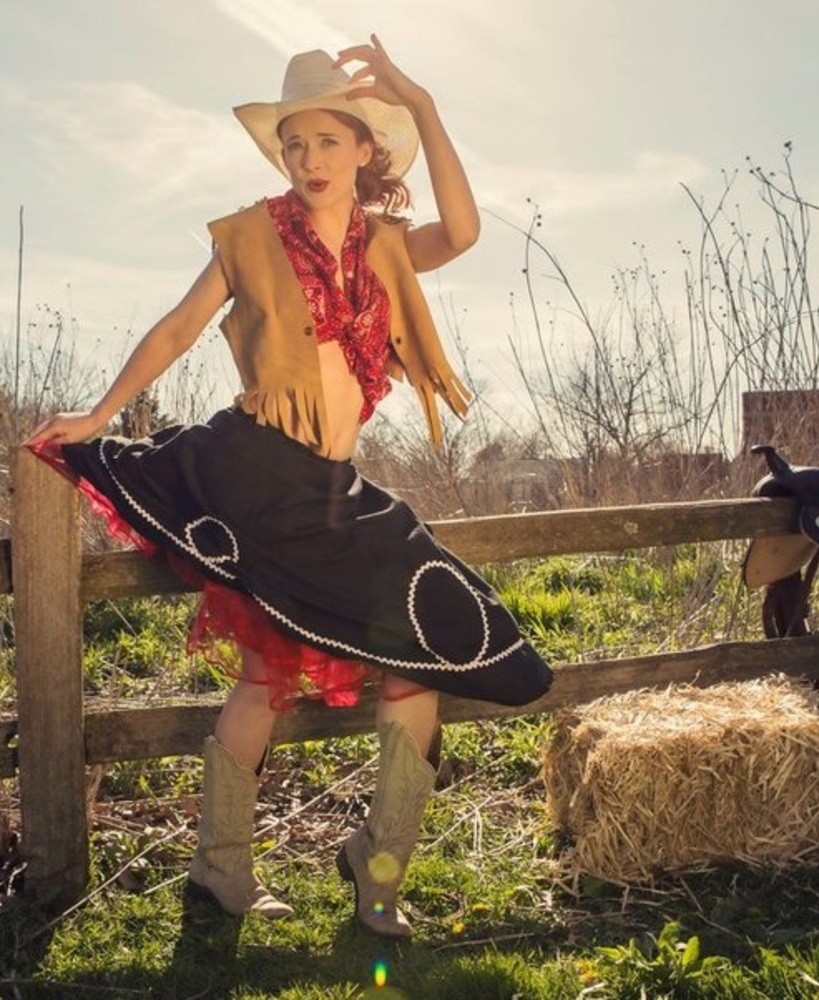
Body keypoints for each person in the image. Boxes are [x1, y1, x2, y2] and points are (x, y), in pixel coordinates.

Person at [25, 36, 553, 939]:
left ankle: (377, 872)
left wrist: (423, 102)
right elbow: (181, 326)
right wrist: (103, 409)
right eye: (294, 144)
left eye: (328, 142)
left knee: (419, 663)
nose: (309, 160)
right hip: (256, 477)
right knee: (265, 680)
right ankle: (220, 874)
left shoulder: (384, 246)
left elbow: (462, 233)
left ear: (363, 151)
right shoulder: (249, 236)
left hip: (333, 486)